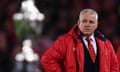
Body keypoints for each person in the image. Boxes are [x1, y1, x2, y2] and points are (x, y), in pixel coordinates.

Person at [41, 9, 119, 72]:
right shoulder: (66, 41)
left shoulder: (106, 43)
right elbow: (47, 60)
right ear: (79, 23)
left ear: (96, 25)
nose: (87, 25)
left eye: (91, 22)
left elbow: (114, 66)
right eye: (84, 21)